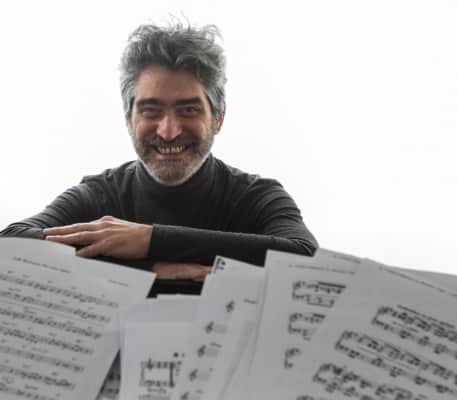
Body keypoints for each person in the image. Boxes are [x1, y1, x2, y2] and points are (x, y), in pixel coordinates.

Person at [0, 22, 318, 295]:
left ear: (219, 117)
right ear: (128, 118)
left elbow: (308, 258)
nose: (168, 131)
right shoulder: (99, 194)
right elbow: (10, 243)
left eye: (188, 110)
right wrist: (148, 268)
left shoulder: (256, 196)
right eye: (151, 111)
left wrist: (149, 239)